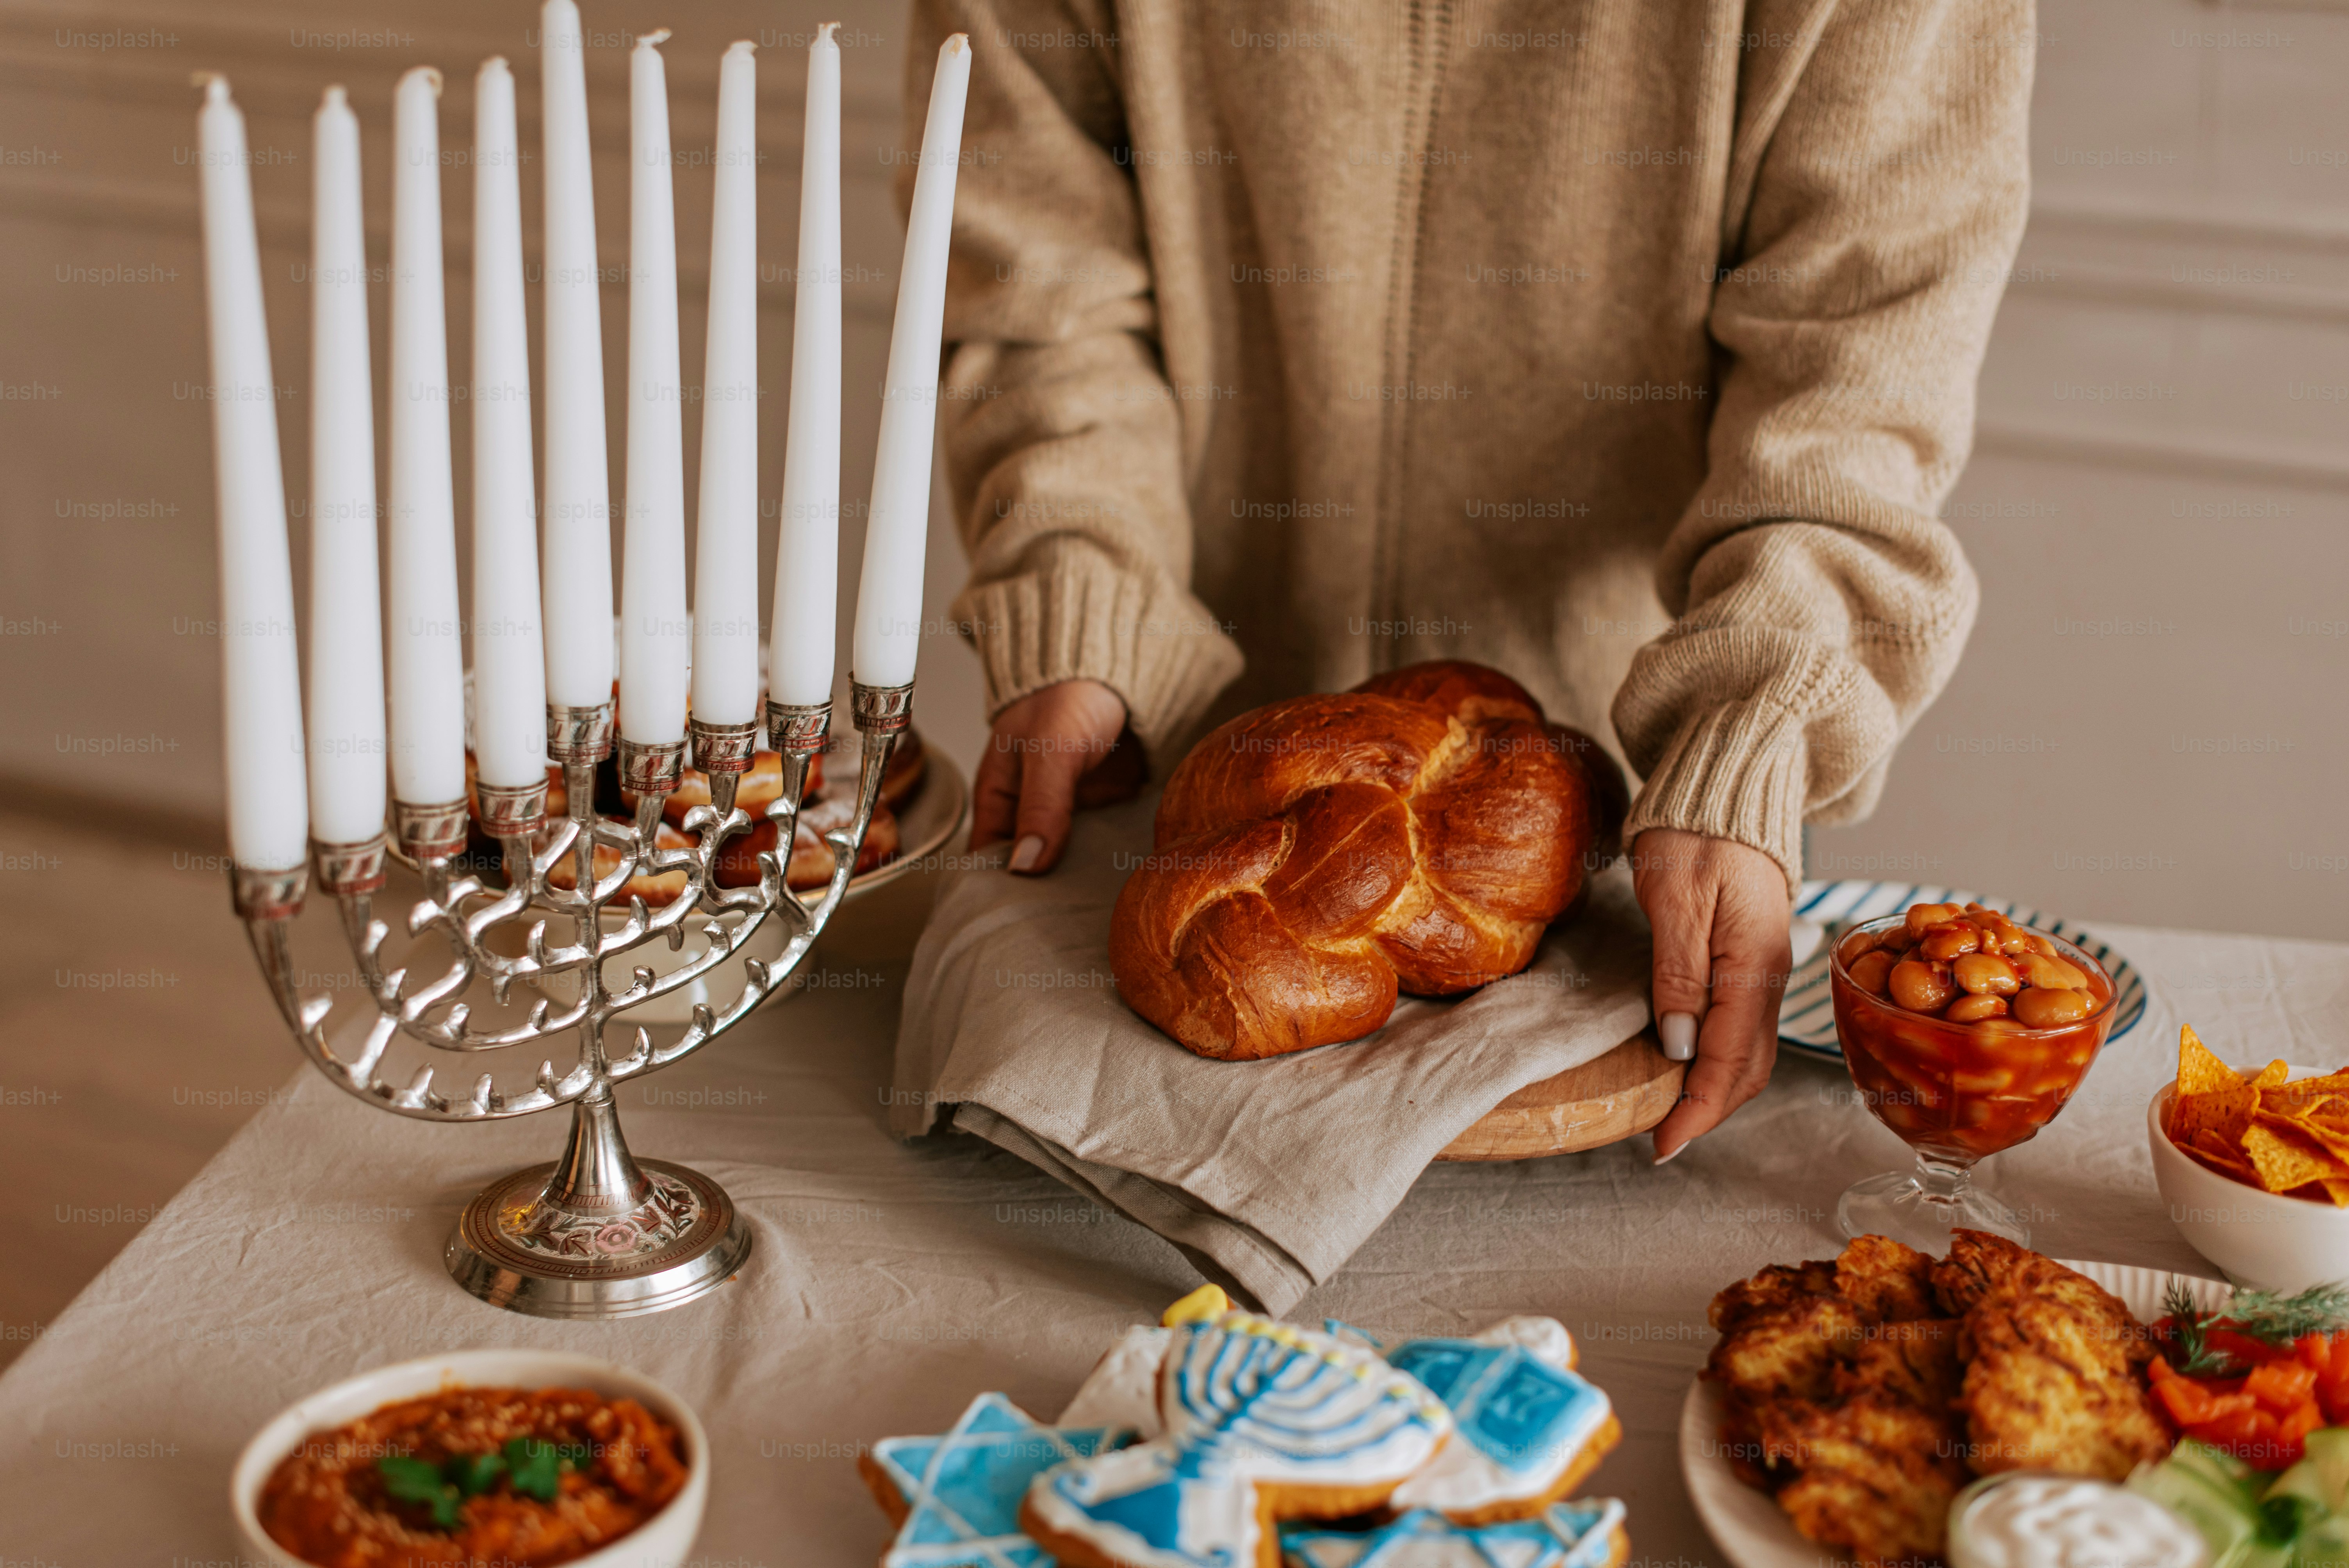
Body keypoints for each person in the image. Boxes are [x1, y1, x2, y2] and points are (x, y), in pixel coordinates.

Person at [905, 1, 2028, 1160]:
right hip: (1171, 789)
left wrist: (1752, 728)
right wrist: (1084, 595)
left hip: (1631, 846)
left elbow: (1858, 373)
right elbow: (1040, 293)